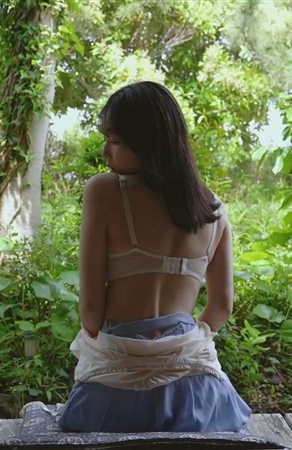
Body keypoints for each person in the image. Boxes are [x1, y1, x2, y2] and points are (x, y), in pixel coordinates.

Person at [56, 81, 252, 433]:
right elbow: (221, 307)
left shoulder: (103, 191)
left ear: (148, 140)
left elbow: (90, 313)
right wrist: (181, 347)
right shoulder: (214, 210)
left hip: (114, 385)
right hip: (197, 388)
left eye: (115, 140)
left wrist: (128, 352)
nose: (105, 151)